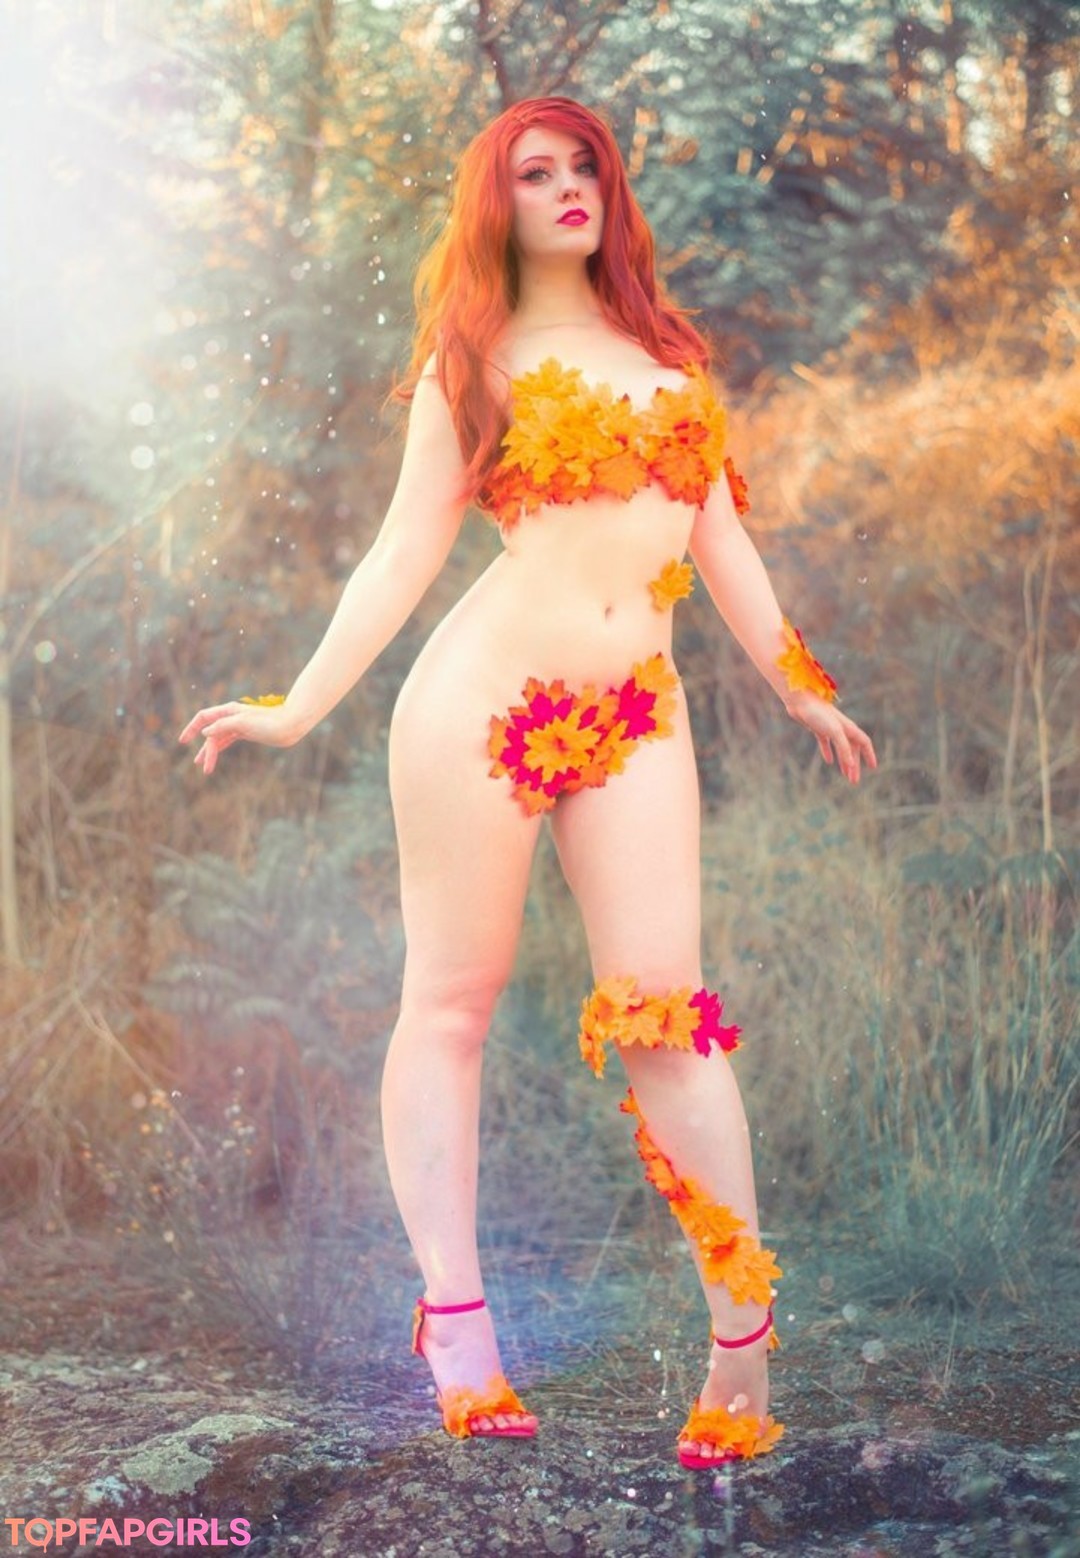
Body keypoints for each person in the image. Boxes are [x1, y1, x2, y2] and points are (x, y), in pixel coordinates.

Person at [179, 97, 876, 1466]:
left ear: (611, 189)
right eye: (534, 172)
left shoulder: (672, 360)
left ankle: (743, 1341)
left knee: (666, 1013)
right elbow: (403, 548)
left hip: (639, 715)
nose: (567, 188)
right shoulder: (475, 359)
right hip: (479, 704)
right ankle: (455, 1323)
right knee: (451, 1004)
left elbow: (721, 538)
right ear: (495, 207)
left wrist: (797, 680)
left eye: (583, 167)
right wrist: (299, 702)